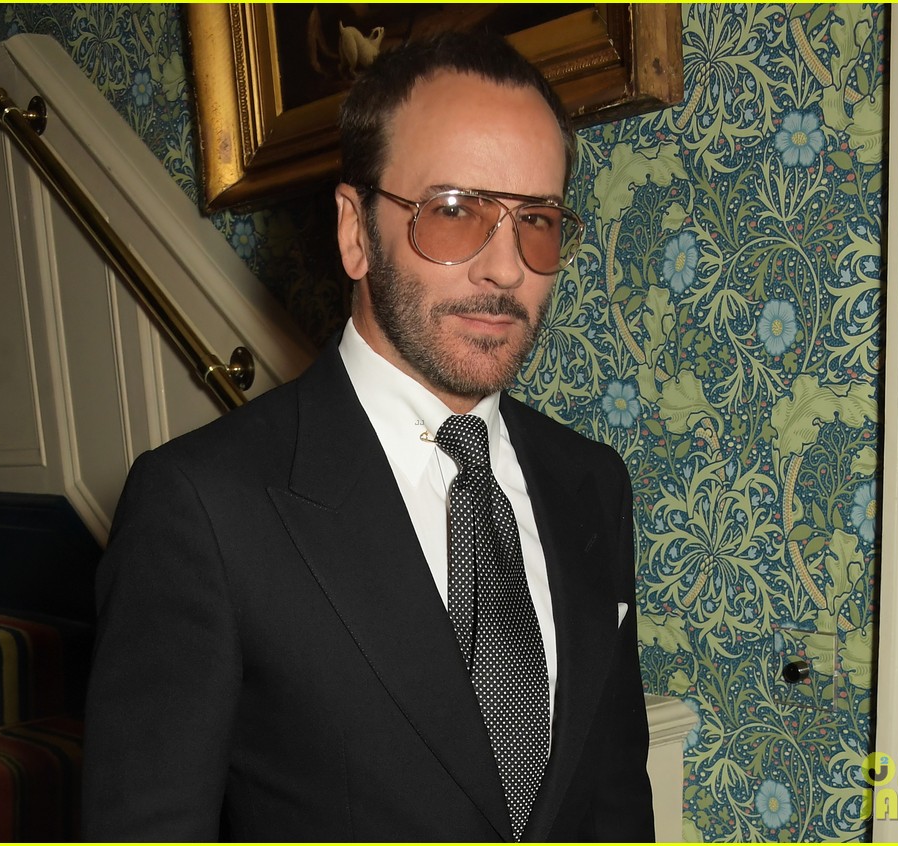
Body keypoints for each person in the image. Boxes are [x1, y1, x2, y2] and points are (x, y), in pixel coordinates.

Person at [81, 30, 653, 842]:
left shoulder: (592, 482)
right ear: (355, 229)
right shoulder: (203, 509)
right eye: (454, 213)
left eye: (537, 219)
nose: (504, 267)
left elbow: (616, 803)